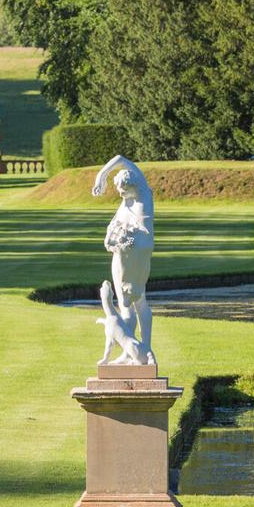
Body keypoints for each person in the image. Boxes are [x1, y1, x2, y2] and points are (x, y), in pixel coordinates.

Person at [90, 154, 156, 365]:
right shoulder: (126, 203)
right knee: (125, 305)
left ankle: (144, 348)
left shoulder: (144, 195)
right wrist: (102, 175)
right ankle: (130, 352)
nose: (121, 195)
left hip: (136, 256)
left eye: (123, 191)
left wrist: (127, 239)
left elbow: (147, 238)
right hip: (122, 256)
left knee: (139, 300)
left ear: (133, 185)